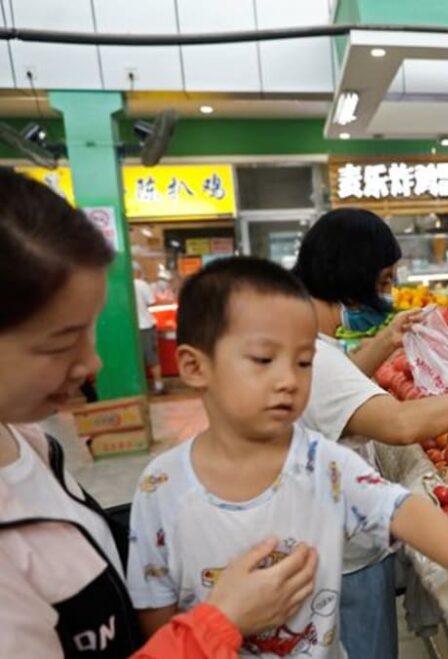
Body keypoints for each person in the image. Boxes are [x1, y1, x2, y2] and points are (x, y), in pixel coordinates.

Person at [125, 257, 448, 658]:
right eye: (263, 360)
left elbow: (403, 510)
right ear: (195, 366)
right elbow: (155, 613)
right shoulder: (161, 488)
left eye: (304, 362)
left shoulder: (321, 463)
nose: (289, 380)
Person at [0, 169, 320, 658]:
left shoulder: (27, 441)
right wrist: (221, 621)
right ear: (197, 366)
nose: (93, 363)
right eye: (61, 341)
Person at [291, 209, 448, 658]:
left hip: (332, 541)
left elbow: (335, 401)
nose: (387, 293)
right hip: (343, 560)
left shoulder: (310, 343)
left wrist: (384, 341)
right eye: (381, 282)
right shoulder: (312, 354)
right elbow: (400, 425)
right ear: (349, 275)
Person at [134, 262, 165, 395]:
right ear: (137, 271)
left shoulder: (120, 285)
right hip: (145, 325)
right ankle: (158, 386)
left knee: (137, 358)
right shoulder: (141, 284)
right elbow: (152, 302)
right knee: (151, 358)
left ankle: (139, 388)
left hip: (133, 327)